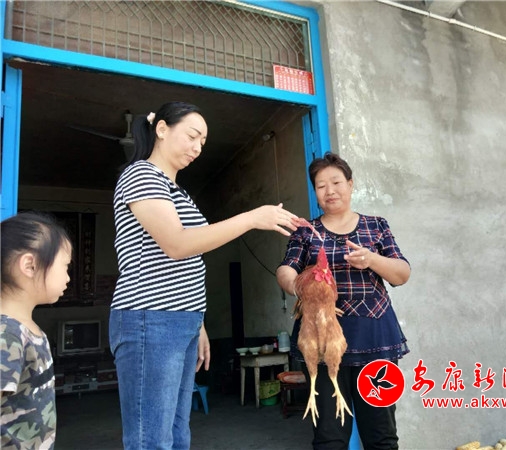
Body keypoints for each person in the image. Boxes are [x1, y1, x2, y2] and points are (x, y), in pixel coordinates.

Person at [110, 101, 298, 450]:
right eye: (192, 136)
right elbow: (178, 245)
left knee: (177, 434)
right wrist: (251, 218)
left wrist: (197, 324)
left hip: (179, 319)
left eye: (203, 142)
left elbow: (185, 264)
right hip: (150, 318)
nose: (197, 147)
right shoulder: (141, 175)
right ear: (162, 129)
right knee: (152, 439)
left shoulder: (177, 190)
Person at [276, 152, 411, 450]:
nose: (330, 190)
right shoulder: (305, 231)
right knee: (329, 437)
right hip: (321, 339)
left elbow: (402, 273)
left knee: (382, 435)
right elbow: (286, 269)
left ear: (350, 184)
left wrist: (372, 259)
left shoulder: (376, 225)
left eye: (336, 182)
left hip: (374, 338)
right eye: (321, 185)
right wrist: (300, 287)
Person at [1, 211, 73, 449]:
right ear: (30, 265)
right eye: (65, 266)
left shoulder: (29, 330)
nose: (68, 278)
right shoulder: (7, 333)